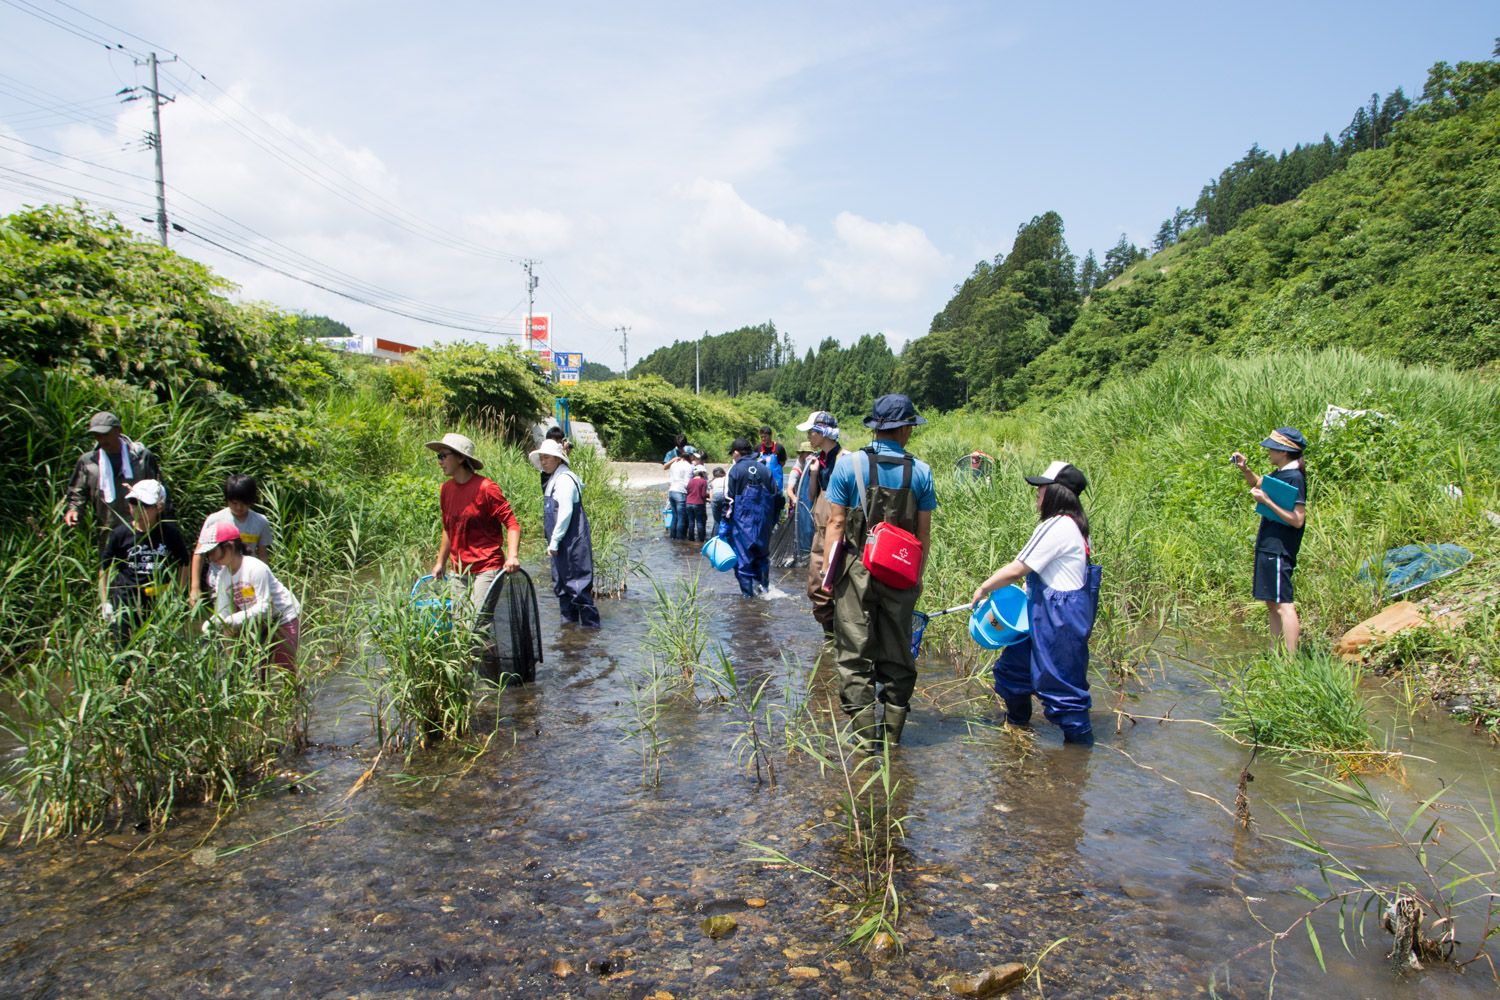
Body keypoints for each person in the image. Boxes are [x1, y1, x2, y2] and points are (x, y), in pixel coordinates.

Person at [822, 395, 936, 748]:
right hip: (900, 572)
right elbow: (923, 535)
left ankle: (865, 743)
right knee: (898, 653)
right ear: (903, 428)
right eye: (910, 428)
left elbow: (836, 523)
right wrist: (914, 580)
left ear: (876, 428)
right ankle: (892, 738)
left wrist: (830, 574)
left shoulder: (847, 465)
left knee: (855, 653)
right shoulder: (921, 471)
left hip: (856, 570)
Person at [972, 462, 1101, 746]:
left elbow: (1018, 568)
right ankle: (1018, 725)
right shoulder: (1074, 526)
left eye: (1040, 489)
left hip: (1059, 622)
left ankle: (1078, 760)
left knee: (1064, 696)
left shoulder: (1056, 525)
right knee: (1011, 672)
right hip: (1046, 615)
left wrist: (984, 588)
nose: (1037, 495)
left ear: (1055, 492)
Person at [428, 432, 522, 667]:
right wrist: (440, 562)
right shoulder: (446, 489)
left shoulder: (486, 488)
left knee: (476, 626)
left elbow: (512, 524)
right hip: (458, 567)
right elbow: (448, 528)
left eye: (443, 456)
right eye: (438, 456)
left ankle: (492, 676)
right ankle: (472, 677)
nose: (439, 461)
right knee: (461, 629)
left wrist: (512, 556)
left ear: (460, 458)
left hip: (487, 565)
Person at [1232, 427, 1309, 654]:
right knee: (1271, 602)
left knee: (1284, 604)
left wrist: (1266, 501)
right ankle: (1275, 654)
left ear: (1283, 452)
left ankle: (1291, 661)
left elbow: (1297, 520)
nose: (1268, 453)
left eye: (1271, 450)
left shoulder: (1295, 477)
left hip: (1279, 547)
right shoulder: (1282, 473)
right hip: (1268, 544)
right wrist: (1245, 469)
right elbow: (1259, 484)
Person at [200, 521, 302, 673]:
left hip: (283, 616)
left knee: (286, 669)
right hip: (257, 621)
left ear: (229, 546)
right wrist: (213, 622)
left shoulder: (255, 568)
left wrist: (232, 620)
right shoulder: (223, 577)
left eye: (213, 551)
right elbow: (223, 612)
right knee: (258, 670)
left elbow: (264, 607)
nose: (211, 557)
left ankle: (295, 696)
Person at [100, 479, 188, 642]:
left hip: (158, 603)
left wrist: (178, 596)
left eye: (145, 505)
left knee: (156, 653)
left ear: (159, 507)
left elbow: (184, 563)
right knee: (123, 651)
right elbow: (104, 568)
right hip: (125, 600)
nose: (137, 509)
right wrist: (105, 601)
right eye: (133, 502)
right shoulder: (120, 534)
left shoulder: (170, 534)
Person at [531, 439, 601, 628]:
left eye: (546, 458)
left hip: (572, 542)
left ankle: (590, 632)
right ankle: (569, 633)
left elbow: (566, 512)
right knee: (562, 587)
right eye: (541, 458)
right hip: (562, 543)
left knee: (578, 588)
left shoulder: (564, 480)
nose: (543, 462)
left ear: (558, 459)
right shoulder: (555, 478)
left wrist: (554, 542)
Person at [64, 411, 163, 545]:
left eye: (105, 434)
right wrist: (74, 510)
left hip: (143, 528)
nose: (102, 440)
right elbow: (77, 492)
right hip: (107, 528)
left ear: (118, 431)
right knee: (108, 564)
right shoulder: (89, 461)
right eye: (97, 435)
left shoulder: (141, 457)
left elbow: (159, 490)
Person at [190, 474, 274, 606]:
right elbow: (199, 553)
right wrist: (195, 587)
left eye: (244, 503)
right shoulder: (215, 520)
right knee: (224, 620)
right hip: (218, 581)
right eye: (234, 503)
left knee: (250, 619)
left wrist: (268, 581)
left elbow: (263, 554)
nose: (239, 508)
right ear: (227, 500)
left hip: (248, 581)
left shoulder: (260, 521)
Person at [798, 411, 842, 635]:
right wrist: (814, 473)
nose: (808, 435)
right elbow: (813, 494)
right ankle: (830, 638)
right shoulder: (821, 460)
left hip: (836, 532)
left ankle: (836, 640)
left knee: (833, 587)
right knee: (817, 588)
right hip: (820, 529)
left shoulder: (843, 459)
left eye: (812, 431)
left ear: (824, 432)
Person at [723, 437, 778, 596]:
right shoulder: (765, 469)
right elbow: (777, 497)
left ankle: (748, 601)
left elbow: (728, 501)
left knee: (743, 563)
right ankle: (765, 594)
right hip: (763, 525)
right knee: (762, 559)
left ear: (736, 452)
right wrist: (772, 521)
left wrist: (724, 524)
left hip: (742, 525)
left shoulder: (734, 470)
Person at [787, 440, 814, 565]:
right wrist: (794, 499)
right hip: (798, 507)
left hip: (808, 505)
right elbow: (789, 489)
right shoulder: (796, 470)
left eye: (811, 453)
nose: (809, 455)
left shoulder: (812, 467)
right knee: (798, 534)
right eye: (807, 453)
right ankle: (798, 556)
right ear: (802, 454)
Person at [666, 446, 696, 540]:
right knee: (681, 517)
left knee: (675, 516)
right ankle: (680, 540)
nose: (693, 458)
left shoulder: (675, 464)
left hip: (672, 491)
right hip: (681, 492)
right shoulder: (689, 466)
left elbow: (670, 479)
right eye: (692, 456)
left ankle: (672, 538)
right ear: (689, 456)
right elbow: (688, 483)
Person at [684, 467, 710, 543]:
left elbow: (688, 491)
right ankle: (701, 540)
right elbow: (703, 494)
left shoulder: (690, 481)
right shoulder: (703, 481)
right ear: (702, 473)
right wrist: (708, 498)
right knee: (699, 522)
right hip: (698, 503)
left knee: (691, 522)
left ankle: (691, 539)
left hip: (688, 503)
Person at [709, 466, 729, 535]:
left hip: (715, 498)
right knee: (726, 518)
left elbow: (711, 495)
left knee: (717, 521)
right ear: (724, 473)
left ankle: (716, 537)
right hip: (724, 497)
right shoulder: (726, 479)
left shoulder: (713, 481)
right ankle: (725, 536)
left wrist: (712, 503)